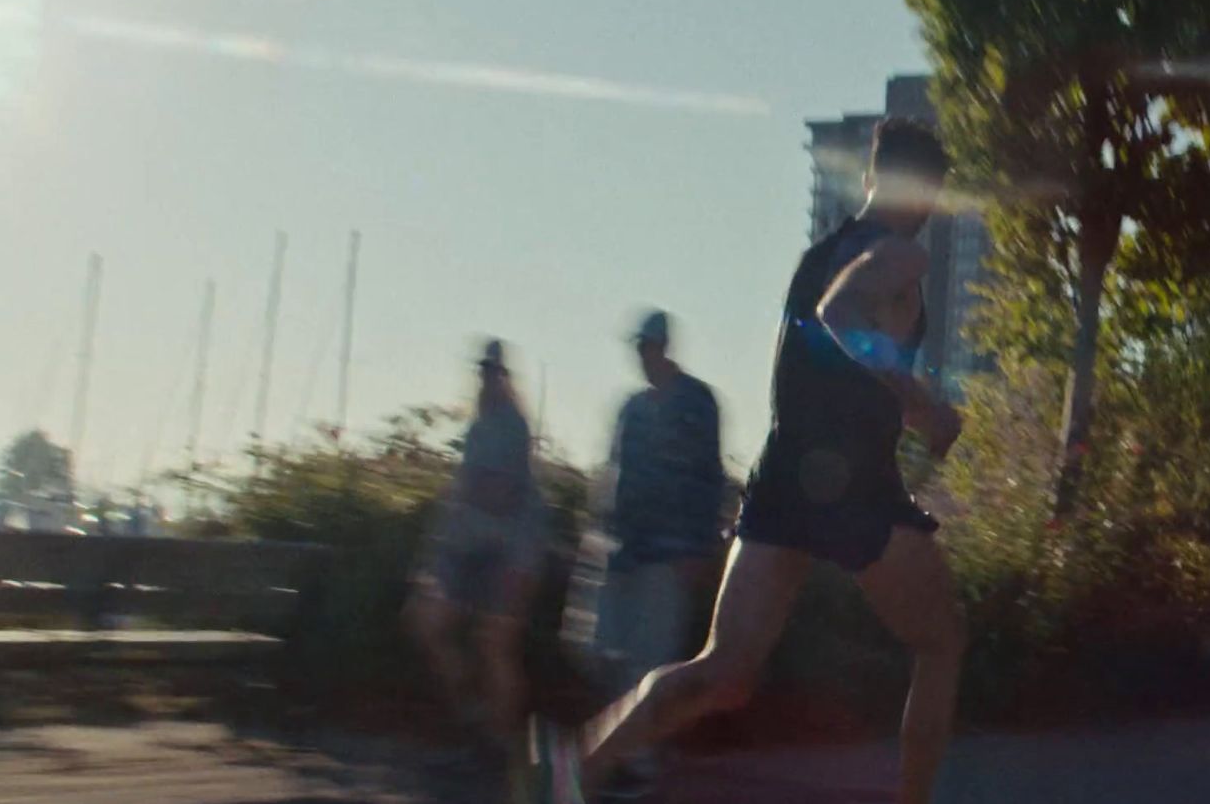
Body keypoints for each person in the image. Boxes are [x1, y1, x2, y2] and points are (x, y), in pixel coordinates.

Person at [537, 119, 966, 804]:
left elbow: (821, 351)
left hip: (786, 479)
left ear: (869, 177)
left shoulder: (818, 252)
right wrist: (926, 405)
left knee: (725, 671)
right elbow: (842, 313)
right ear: (928, 191)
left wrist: (902, 403)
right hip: (852, 483)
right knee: (940, 644)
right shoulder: (900, 256)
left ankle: (574, 766)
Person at [591, 310, 725, 798]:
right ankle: (628, 751)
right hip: (625, 549)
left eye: (649, 346)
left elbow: (709, 475)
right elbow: (612, 469)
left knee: (648, 662)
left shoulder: (696, 401)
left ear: (663, 346)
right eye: (638, 347)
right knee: (602, 651)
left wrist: (700, 545)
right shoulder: (632, 407)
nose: (643, 355)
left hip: (671, 551)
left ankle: (639, 766)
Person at [406, 340, 548, 756]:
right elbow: (463, 498)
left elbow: (503, 493)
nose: (486, 378)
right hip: (472, 549)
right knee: (425, 622)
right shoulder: (477, 427)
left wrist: (469, 491)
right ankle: (471, 708)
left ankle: (504, 742)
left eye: (493, 371)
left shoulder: (513, 425)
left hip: (513, 550)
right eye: (482, 371)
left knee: (496, 643)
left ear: (503, 376)